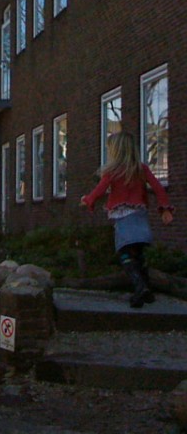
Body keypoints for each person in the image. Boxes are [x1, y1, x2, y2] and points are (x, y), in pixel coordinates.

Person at [81, 132, 174, 308]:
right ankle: (148, 291)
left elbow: (99, 191)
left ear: (116, 151)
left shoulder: (112, 172)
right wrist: (165, 209)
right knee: (138, 253)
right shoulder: (141, 169)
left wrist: (87, 200)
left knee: (125, 253)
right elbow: (158, 189)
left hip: (124, 218)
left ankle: (140, 288)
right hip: (140, 217)